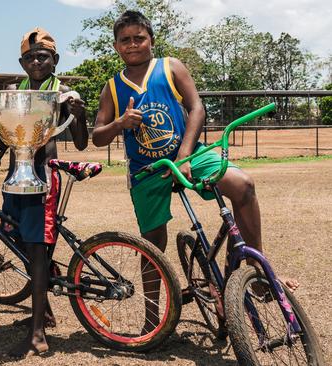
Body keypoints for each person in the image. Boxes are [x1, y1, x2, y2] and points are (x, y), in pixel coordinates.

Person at [91, 10, 299, 332]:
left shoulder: (170, 67)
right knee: (152, 242)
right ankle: (152, 321)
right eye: (125, 40)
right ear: (116, 46)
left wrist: (185, 156)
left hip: (190, 154)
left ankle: (253, 272)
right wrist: (119, 123)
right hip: (150, 169)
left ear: (151, 40)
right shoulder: (112, 88)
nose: (132, 44)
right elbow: (97, 135)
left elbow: (196, 107)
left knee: (243, 185)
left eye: (139, 38)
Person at [0, 27, 88, 358]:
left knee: (35, 250)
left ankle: (37, 334)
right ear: (21, 62)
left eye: (43, 56)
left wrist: (78, 116)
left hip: (42, 180)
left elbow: (79, 141)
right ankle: (44, 309)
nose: (37, 61)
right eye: (30, 57)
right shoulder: (12, 92)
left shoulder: (62, 93)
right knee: (22, 244)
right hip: (15, 177)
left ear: (55, 60)